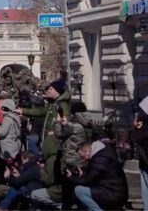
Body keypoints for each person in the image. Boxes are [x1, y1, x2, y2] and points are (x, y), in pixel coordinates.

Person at [21, 78, 73, 207]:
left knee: (51, 176)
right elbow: (41, 112)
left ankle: (58, 203)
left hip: (55, 147)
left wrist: (56, 130)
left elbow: (66, 121)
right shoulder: (52, 104)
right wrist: (23, 111)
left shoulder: (62, 105)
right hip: (48, 145)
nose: (48, 91)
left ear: (57, 91)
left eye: (50, 89)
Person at [72, 140, 128, 211]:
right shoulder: (103, 153)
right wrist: (83, 173)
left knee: (79, 190)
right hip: (118, 193)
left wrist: (71, 177)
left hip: (113, 195)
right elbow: (95, 175)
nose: (84, 158)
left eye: (83, 156)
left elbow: (87, 181)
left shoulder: (99, 159)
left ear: (88, 151)